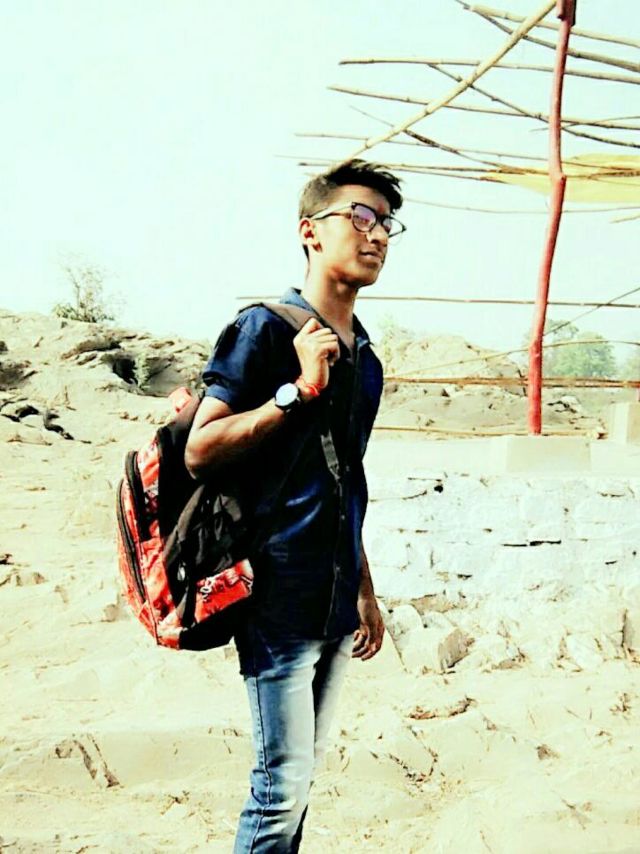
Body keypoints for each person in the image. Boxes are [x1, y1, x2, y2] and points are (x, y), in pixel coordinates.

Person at [185, 159, 405, 852]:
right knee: (280, 786)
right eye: (360, 218)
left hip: (335, 596)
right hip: (275, 592)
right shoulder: (264, 330)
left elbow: (344, 482)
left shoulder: (366, 359)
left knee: (298, 785)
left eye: (387, 224)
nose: (377, 235)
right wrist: (297, 391)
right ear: (310, 231)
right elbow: (201, 449)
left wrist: (365, 590)